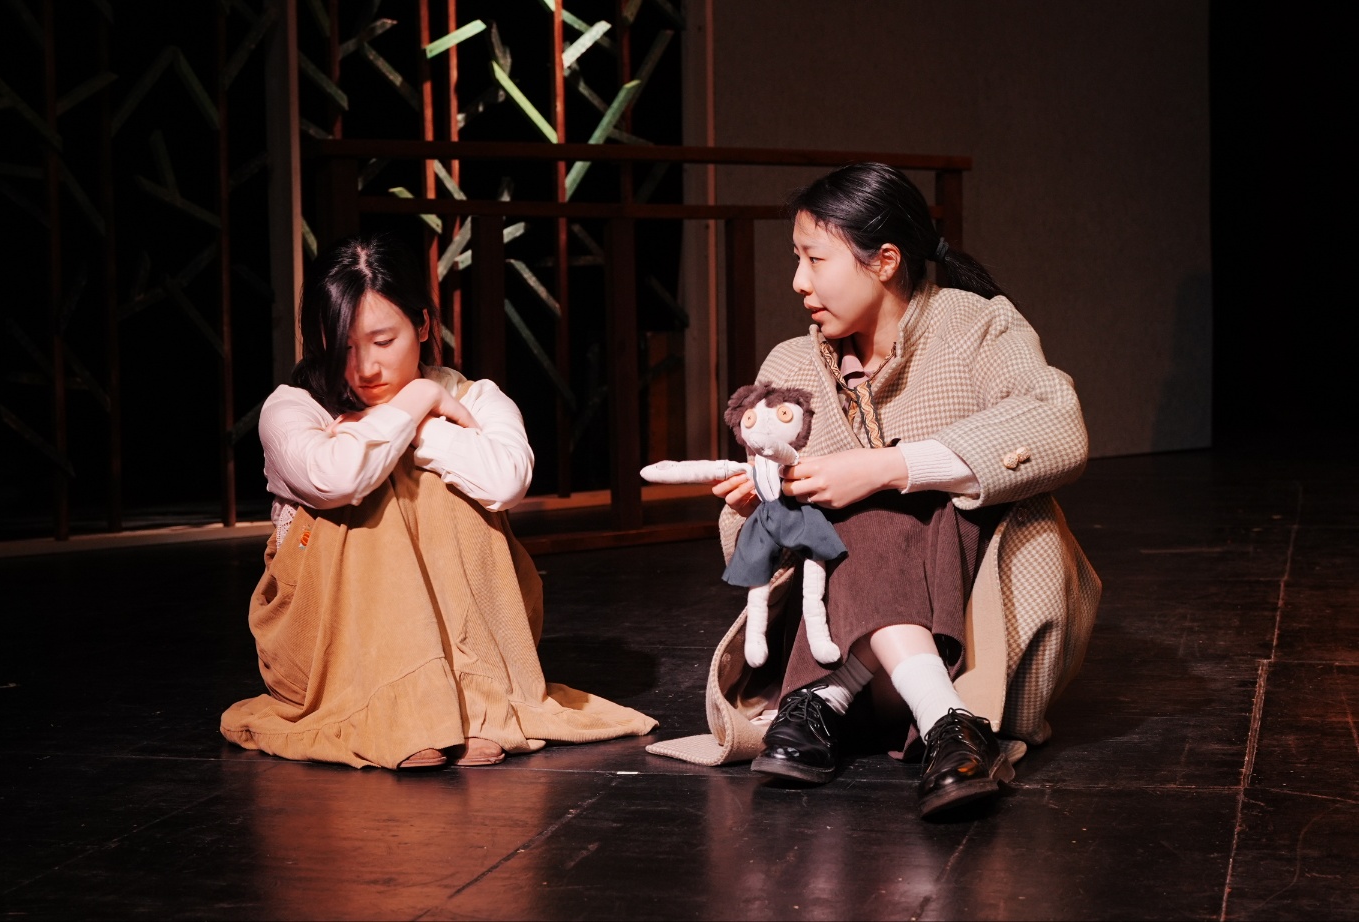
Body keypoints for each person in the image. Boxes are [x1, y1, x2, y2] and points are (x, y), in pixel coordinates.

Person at [646, 163, 1100, 818]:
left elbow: (1055, 426)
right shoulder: (790, 366)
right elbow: (754, 558)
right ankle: (948, 725)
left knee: (886, 496)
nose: (798, 281)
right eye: (796, 259)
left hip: (969, 642)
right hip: (833, 638)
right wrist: (760, 509)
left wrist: (888, 468)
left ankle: (821, 701)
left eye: (814, 259)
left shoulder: (978, 327)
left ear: (885, 261)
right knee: (841, 510)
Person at [220, 232, 657, 770]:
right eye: (344, 347)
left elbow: (507, 481)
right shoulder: (292, 407)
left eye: (383, 341)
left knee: (443, 483)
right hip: (326, 649)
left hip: (465, 650)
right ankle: (407, 711)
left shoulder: (476, 395)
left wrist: (418, 425)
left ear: (424, 326)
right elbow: (336, 478)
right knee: (370, 489)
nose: (365, 368)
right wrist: (420, 401)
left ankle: (457, 703)